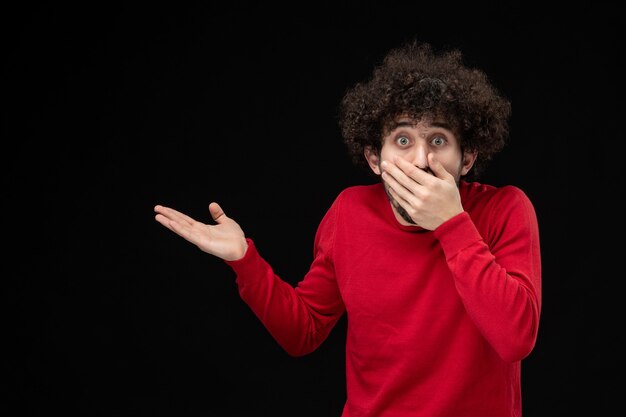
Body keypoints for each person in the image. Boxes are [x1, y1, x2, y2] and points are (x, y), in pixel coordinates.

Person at [154, 40, 542, 417]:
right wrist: (244, 260)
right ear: (375, 158)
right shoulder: (349, 212)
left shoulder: (505, 209)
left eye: (438, 140)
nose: (421, 160)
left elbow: (515, 338)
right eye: (403, 139)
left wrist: (452, 223)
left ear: (467, 158)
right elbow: (303, 331)